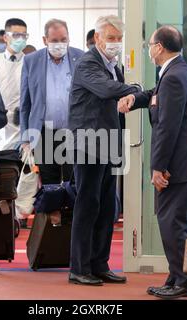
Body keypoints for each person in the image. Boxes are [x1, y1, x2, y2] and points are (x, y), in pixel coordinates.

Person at [118, 26, 187, 299]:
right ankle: (177, 276)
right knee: (172, 222)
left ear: (159, 47)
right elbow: (155, 95)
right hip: (180, 162)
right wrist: (135, 98)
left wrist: (158, 167)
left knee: (172, 224)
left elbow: (168, 126)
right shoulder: (174, 71)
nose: (148, 49)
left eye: (150, 44)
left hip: (178, 164)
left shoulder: (175, 76)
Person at [68, 15, 143, 286]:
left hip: (109, 142)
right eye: (110, 38)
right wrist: (135, 90)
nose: (116, 44)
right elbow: (106, 89)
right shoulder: (88, 63)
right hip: (87, 143)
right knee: (87, 204)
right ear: (97, 38)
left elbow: (117, 97)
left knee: (107, 206)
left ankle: (99, 264)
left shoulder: (112, 65)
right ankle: (79, 267)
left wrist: (137, 95)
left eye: (119, 39)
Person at [20, 19, 84, 184]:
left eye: (63, 40)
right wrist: (26, 139)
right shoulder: (31, 61)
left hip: (74, 132)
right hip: (44, 134)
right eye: (54, 40)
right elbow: (25, 104)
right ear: (44, 40)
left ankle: (71, 211)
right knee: (49, 184)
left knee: (74, 182)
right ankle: (52, 210)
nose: (59, 44)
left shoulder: (81, 58)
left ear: (69, 38)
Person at [0, 18, 28, 202]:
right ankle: (0, 210)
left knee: (25, 171)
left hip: (22, 123)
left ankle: (17, 214)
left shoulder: (30, 62)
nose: (20, 39)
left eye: (24, 35)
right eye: (16, 35)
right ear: (5, 37)